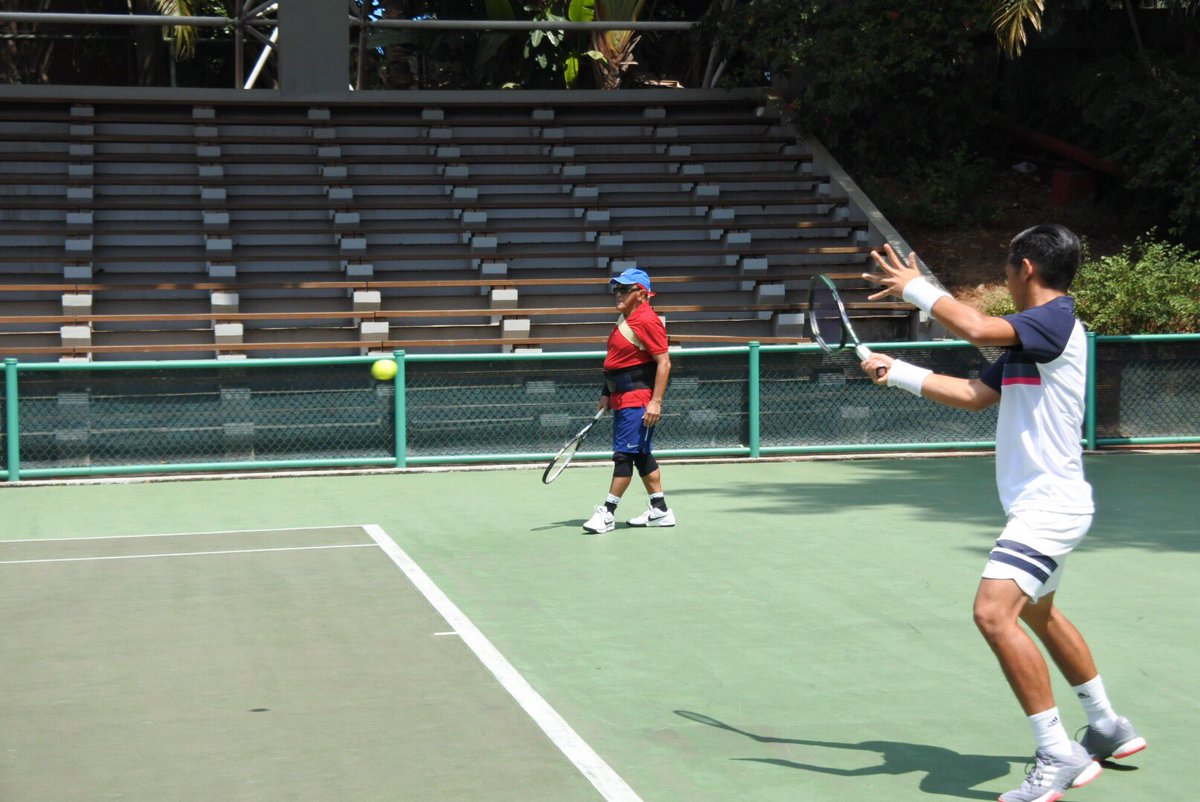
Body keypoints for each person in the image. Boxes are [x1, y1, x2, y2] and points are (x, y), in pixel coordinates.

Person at [859, 225, 1145, 802]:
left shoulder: (1053, 319)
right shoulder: (1032, 339)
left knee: (993, 614)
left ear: (1026, 268)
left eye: (1007, 267)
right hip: (1051, 503)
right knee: (1038, 614)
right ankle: (1107, 724)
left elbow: (974, 326)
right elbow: (974, 396)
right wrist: (900, 371)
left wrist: (916, 288)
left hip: (1048, 507)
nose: (1006, 277)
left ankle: (1057, 752)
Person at [582, 267, 675, 534]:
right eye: (617, 289)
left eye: (625, 289)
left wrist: (656, 402)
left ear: (642, 295)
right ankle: (660, 510)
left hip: (638, 400)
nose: (618, 293)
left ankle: (608, 513)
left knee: (623, 456)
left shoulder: (647, 321)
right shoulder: (626, 318)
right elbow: (619, 361)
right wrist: (606, 392)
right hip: (622, 398)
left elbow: (664, 362)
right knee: (641, 455)